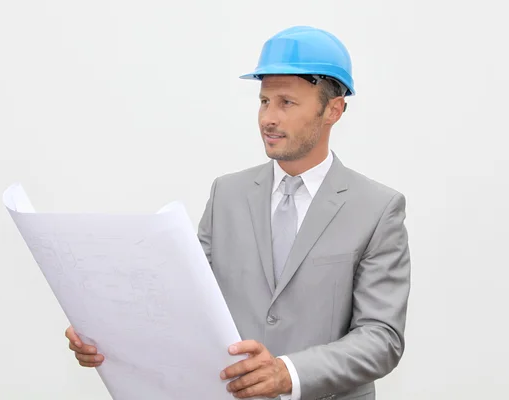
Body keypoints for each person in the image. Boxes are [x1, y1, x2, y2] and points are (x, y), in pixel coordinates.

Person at [66, 26, 411, 400]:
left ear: (334, 109)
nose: (268, 118)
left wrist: (287, 373)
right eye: (264, 102)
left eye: (286, 103)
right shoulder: (226, 194)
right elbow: (181, 300)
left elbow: (382, 338)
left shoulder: (377, 209)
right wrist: (109, 335)